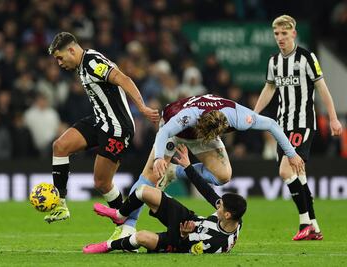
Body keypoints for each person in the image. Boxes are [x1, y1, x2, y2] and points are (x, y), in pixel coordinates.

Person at [114, 93, 304, 240]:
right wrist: (158, 159)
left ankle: (176, 171)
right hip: (174, 131)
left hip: (206, 133)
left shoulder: (239, 117)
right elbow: (164, 132)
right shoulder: (188, 117)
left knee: (223, 176)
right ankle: (127, 228)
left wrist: (292, 153)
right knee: (151, 174)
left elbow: (271, 124)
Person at [45, 32, 159, 224]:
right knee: (60, 146)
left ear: (71, 50)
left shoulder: (92, 63)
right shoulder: (83, 64)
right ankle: (60, 204)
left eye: (60, 57)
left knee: (102, 183)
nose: (59, 63)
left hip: (117, 127)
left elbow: (124, 80)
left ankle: (123, 224)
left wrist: (142, 107)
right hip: (100, 120)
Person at [254, 15, 343, 241]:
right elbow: (269, 88)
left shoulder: (306, 57)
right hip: (281, 125)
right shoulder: (273, 61)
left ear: (293, 33)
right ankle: (314, 226)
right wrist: (254, 114)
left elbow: (322, 88)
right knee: (298, 174)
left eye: (284, 33)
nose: (280, 38)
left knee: (286, 170)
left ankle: (304, 222)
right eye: (276, 34)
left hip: (303, 123)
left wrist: (333, 118)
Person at [83, 144, 247, 254]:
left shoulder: (215, 243)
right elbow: (207, 192)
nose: (218, 206)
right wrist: (188, 167)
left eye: (221, 207)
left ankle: (107, 246)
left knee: (141, 237)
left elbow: (185, 248)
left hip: (178, 241)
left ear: (227, 215)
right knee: (144, 191)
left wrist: (183, 235)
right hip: (190, 219)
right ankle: (120, 215)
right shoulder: (235, 217)